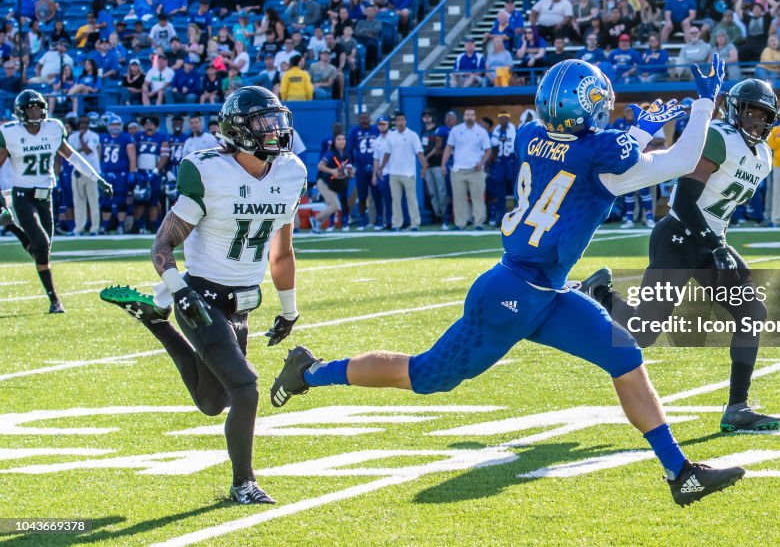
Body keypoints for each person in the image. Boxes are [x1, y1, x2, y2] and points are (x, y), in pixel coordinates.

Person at [270, 57, 747, 508]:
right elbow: (682, 159)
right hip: (510, 295)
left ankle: (679, 473)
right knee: (425, 375)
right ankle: (310, 371)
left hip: (545, 290)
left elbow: (589, 150)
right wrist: (704, 104)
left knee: (623, 353)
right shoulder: (600, 157)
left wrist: (637, 133)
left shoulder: (529, 135)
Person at [101, 87, 306, 505]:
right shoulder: (208, 170)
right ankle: (243, 484)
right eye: (263, 123)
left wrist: (289, 309)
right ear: (238, 130)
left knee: (214, 402)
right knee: (246, 388)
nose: (275, 131)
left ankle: (155, 323)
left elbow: (281, 251)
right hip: (201, 293)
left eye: (276, 120)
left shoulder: (291, 171)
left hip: (244, 300)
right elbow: (162, 248)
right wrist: (179, 291)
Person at [586, 76, 780, 432]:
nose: (755, 120)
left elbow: (718, 206)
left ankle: (737, 407)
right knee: (643, 332)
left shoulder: (764, 156)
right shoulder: (719, 137)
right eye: (749, 111)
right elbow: (687, 201)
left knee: (752, 312)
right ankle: (599, 293)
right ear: (734, 109)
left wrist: (718, 246)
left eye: (762, 114)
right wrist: (718, 246)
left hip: (709, 242)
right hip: (678, 236)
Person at [0, 90, 113, 313]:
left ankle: (12, 227)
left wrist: (96, 178)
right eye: (30, 108)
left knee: (42, 250)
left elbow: (71, 155)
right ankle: (55, 300)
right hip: (23, 194)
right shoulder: (10, 133)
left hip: (46, 195)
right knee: (41, 244)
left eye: (37, 107)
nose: (35, 112)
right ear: (21, 112)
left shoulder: (53, 129)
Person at [442, 108, 491, 231]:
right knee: (458, 199)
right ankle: (460, 223)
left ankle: (478, 223)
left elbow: (488, 150)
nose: (469, 117)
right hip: (458, 169)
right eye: (467, 114)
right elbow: (448, 148)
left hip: (476, 170)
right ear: (464, 117)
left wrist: (482, 163)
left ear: (475, 116)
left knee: (478, 198)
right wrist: (443, 165)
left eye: (472, 115)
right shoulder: (456, 130)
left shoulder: (481, 131)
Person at [381, 111, 426, 231]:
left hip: (408, 173)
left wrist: (424, 167)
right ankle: (396, 224)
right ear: (395, 122)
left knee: (411, 198)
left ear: (405, 121)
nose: (400, 122)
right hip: (394, 172)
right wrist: (381, 167)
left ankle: (415, 223)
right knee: (395, 199)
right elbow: (387, 153)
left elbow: (419, 152)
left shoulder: (412, 135)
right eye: (398, 120)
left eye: (402, 120)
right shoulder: (391, 136)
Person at [99, 113, 137, 234]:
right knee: (105, 200)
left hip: (121, 173)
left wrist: (131, 172)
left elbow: (132, 157)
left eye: (117, 124)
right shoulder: (103, 138)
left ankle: (121, 225)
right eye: (112, 124)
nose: (115, 127)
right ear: (108, 126)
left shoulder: (126, 138)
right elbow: (98, 156)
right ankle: (105, 226)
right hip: (106, 173)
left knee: (121, 199)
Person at [67, 115, 102, 235]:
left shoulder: (93, 136)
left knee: (93, 201)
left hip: (92, 172)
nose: (83, 125)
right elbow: (70, 153)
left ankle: (95, 228)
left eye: (85, 122)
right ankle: (78, 228)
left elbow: (88, 150)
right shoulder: (72, 137)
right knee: (78, 201)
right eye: (81, 122)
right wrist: (80, 147)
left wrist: (81, 140)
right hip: (77, 172)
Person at [347, 112, 381, 230]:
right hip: (361, 168)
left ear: (370, 119)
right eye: (361, 118)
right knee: (362, 196)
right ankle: (362, 219)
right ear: (358, 120)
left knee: (377, 195)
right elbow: (350, 150)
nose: (364, 120)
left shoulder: (376, 129)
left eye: (366, 118)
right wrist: (351, 165)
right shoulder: (354, 131)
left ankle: (379, 219)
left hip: (375, 167)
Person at [314, 133, 353, 232]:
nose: (342, 141)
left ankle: (316, 225)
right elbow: (320, 166)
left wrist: (350, 172)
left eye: (343, 139)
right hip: (323, 181)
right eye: (339, 139)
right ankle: (315, 220)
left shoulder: (346, 153)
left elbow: (348, 169)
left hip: (334, 183)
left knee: (332, 206)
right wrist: (333, 171)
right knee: (336, 206)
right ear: (334, 142)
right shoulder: (330, 153)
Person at [486, 111, 517, 226]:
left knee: (516, 190)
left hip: (511, 161)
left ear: (508, 119)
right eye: (501, 118)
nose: (503, 120)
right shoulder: (496, 131)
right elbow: (494, 149)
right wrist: (489, 163)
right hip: (499, 163)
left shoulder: (515, 129)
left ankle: (517, 216)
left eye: (505, 118)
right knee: (500, 192)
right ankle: (501, 216)